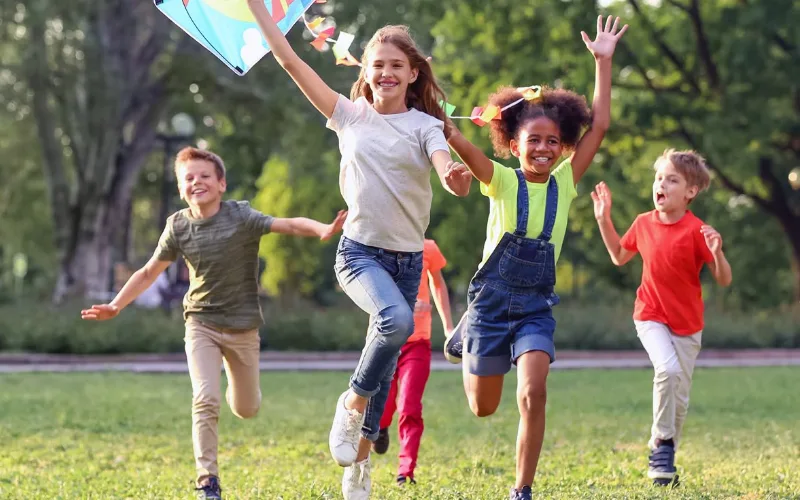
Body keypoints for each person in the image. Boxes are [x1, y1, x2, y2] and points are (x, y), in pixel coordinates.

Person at [246, 2, 473, 498]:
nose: (387, 72)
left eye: (397, 65)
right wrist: (257, 11)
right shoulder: (348, 115)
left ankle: (360, 463)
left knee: (389, 357)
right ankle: (351, 402)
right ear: (365, 72)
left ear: (413, 74)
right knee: (395, 322)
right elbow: (288, 60)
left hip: (408, 259)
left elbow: (446, 171)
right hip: (359, 254)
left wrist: (455, 177)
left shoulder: (426, 126)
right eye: (378, 64)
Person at [81, 147, 346, 500]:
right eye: (188, 178)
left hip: (243, 328)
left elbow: (289, 224)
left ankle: (238, 388)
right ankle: (207, 480)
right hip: (201, 323)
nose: (196, 182)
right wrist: (116, 305)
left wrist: (322, 229)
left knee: (246, 409)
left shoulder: (241, 217)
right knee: (205, 398)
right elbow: (147, 272)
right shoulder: (177, 226)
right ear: (180, 189)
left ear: (221, 184)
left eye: (204, 176)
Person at [442, 16, 628, 499]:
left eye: (552, 142)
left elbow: (602, 123)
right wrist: (438, 117)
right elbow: (459, 142)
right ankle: (466, 333)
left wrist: (602, 64)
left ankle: (522, 489)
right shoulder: (501, 180)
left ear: (562, 145)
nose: (543, 149)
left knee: (533, 391)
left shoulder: (566, 181)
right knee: (483, 408)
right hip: (489, 303)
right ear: (513, 144)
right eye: (533, 141)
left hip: (534, 307)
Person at [590, 149, 732, 486]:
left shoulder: (697, 231)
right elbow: (619, 256)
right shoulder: (643, 223)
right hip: (650, 315)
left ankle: (664, 459)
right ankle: (661, 443)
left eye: (671, 179)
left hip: (688, 324)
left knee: (679, 400)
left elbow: (724, 279)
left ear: (690, 192)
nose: (661, 184)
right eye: (659, 178)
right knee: (666, 370)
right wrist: (603, 218)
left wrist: (718, 254)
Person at [371, 238, 454, 486]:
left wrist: (449, 327)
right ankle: (381, 427)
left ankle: (405, 472)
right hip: (387, 342)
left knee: (409, 408)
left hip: (418, 344)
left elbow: (438, 285)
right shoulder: (379, 245)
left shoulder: (428, 247)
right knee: (382, 408)